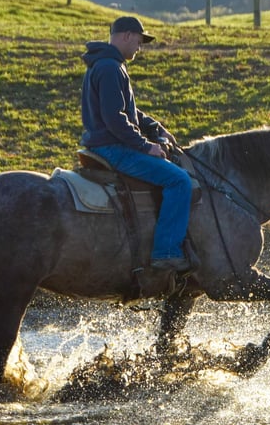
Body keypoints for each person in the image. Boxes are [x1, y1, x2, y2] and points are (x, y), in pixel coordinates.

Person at [80, 16, 192, 273]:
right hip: (113, 148)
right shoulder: (110, 67)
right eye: (139, 41)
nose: (139, 48)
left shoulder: (105, 64)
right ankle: (165, 253)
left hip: (104, 143)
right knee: (179, 181)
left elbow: (129, 112)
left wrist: (155, 127)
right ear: (127, 35)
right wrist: (146, 146)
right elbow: (115, 119)